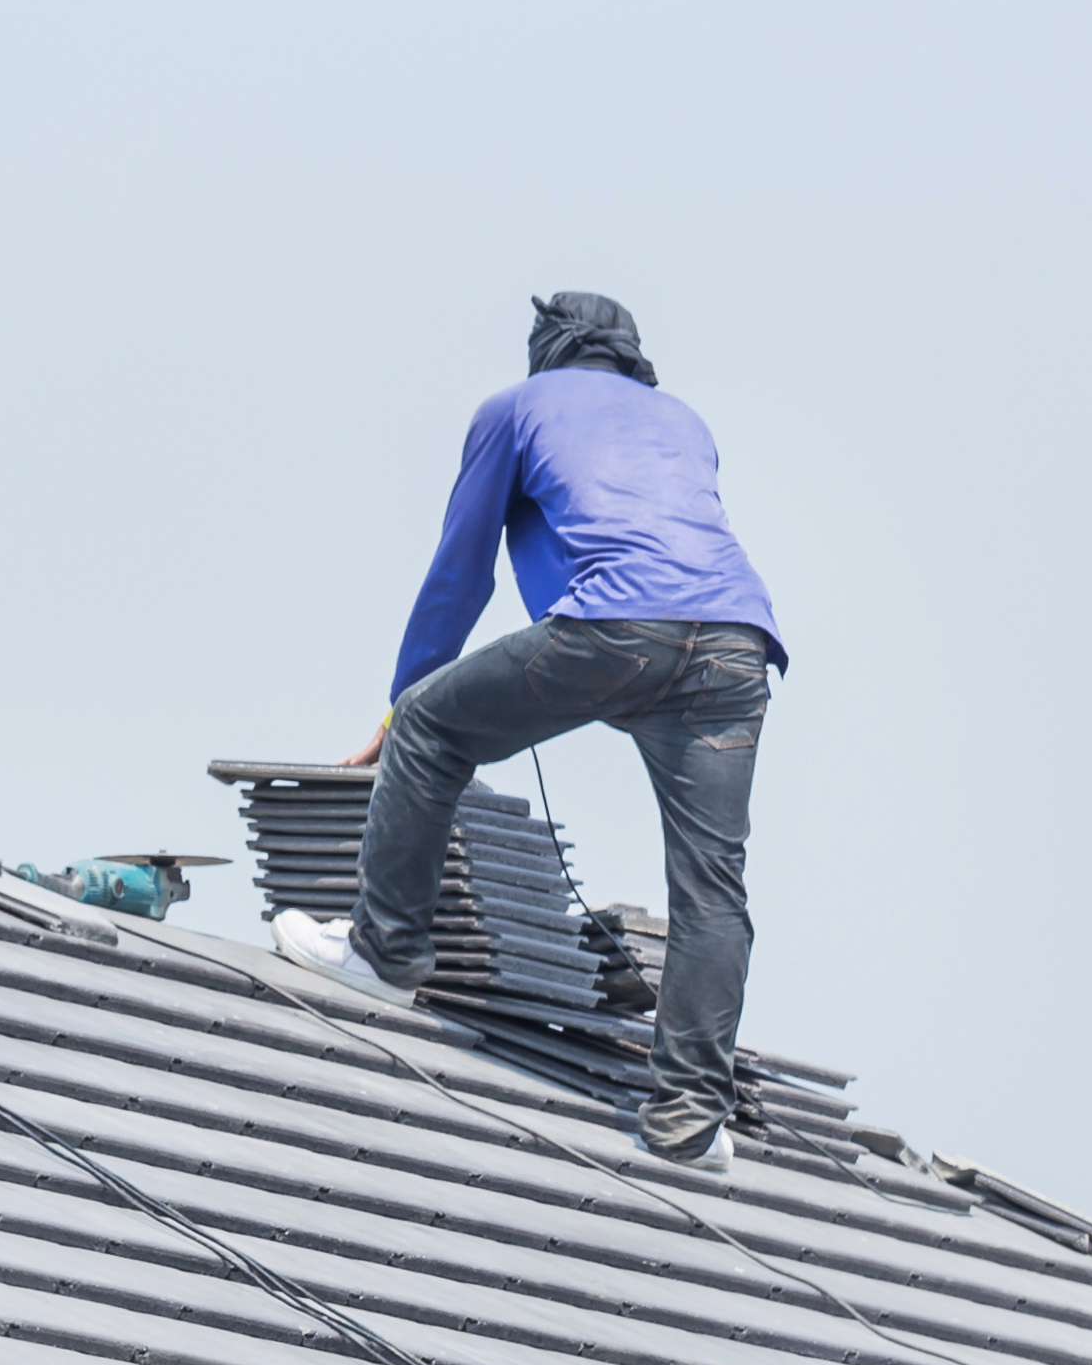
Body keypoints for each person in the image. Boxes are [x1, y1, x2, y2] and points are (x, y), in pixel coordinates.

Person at [275, 290, 786, 1168]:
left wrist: (403, 706)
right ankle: (689, 1118)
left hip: (621, 629)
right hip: (738, 645)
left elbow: (458, 574)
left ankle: (384, 952)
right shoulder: (683, 420)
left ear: (545, 351)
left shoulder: (513, 409)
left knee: (438, 725)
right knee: (711, 883)